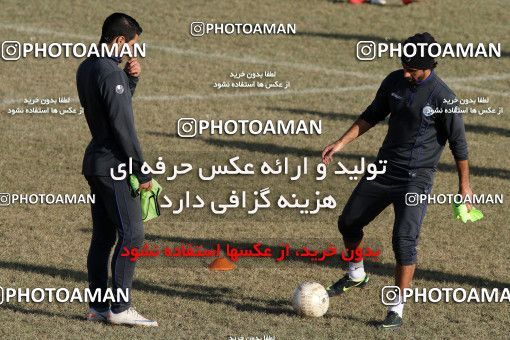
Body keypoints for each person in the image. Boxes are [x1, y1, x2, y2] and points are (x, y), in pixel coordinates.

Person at [321, 32, 473, 329]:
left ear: (428, 65)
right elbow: (372, 114)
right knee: (348, 222)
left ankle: (396, 309)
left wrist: (464, 186)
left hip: (415, 180)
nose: (406, 72)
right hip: (384, 170)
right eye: (404, 65)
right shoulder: (394, 81)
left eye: (412, 69)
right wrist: (341, 143)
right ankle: (356, 275)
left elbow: (459, 145)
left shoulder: (444, 98)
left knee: (404, 242)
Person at [76, 12, 157, 327]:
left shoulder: (88, 65)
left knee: (103, 237)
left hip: (96, 161)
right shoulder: (110, 72)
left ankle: (98, 307)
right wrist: (143, 171)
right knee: (133, 234)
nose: (130, 52)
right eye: (130, 45)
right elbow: (123, 127)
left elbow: (110, 109)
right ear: (120, 40)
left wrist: (130, 80)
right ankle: (120, 307)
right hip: (115, 166)